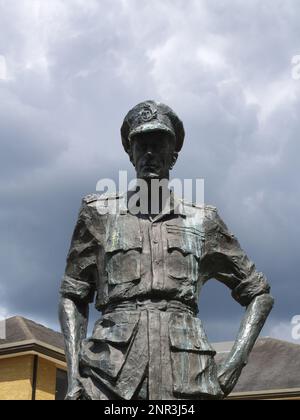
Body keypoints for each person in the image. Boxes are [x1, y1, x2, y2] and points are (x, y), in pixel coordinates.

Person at [59, 100, 274, 400]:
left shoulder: (204, 220)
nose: (149, 153)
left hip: (187, 376)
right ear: (129, 152)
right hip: (108, 377)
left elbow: (258, 294)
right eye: (141, 144)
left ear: (173, 156)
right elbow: (72, 295)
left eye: (158, 145)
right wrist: (72, 378)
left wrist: (233, 365)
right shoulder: (99, 214)